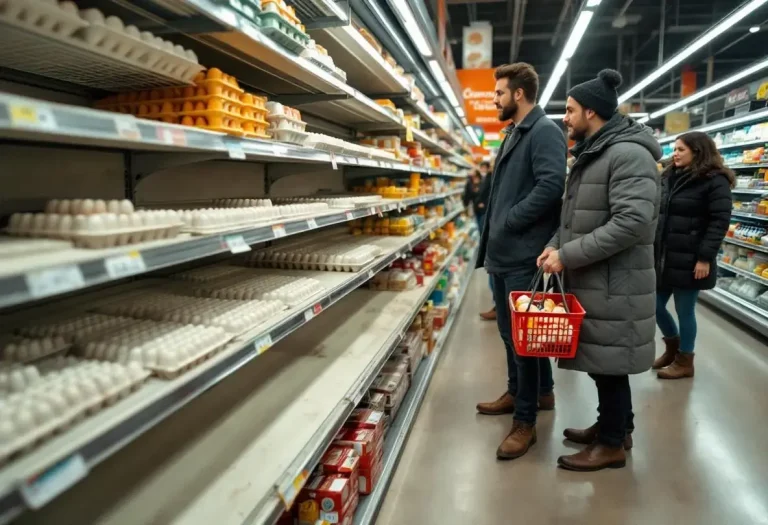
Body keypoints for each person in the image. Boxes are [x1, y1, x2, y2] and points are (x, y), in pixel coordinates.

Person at [538, 69, 661, 471]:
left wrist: (568, 255)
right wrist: (555, 244)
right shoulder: (595, 152)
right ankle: (617, 426)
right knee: (603, 363)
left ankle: (611, 445)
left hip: (615, 281)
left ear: (591, 112)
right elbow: (576, 216)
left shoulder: (627, 155)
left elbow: (631, 222)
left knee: (609, 366)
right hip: (597, 277)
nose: (565, 118)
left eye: (570, 110)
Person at [475, 63, 566, 460]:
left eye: (499, 93)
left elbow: (552, 185)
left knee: (524, 342)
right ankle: (529, 393)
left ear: (518, 93)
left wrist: (511, 220)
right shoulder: (515, 131)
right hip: (502, 253)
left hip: (521, 253)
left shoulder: (543, 131)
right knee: (509, 335)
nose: (494, 99)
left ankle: (525, 422)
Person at [652, 131, 734, 379]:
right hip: (666, 255)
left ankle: (685, 360)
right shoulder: (670, 176)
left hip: (691, 258)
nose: (675, 154)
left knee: (684, 310)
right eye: (674, 149)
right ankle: (673, 347)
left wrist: (705, 257)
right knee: (653, 305)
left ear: (697, 152)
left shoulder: (714, 181)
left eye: (681, 149)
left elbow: (719, 222)